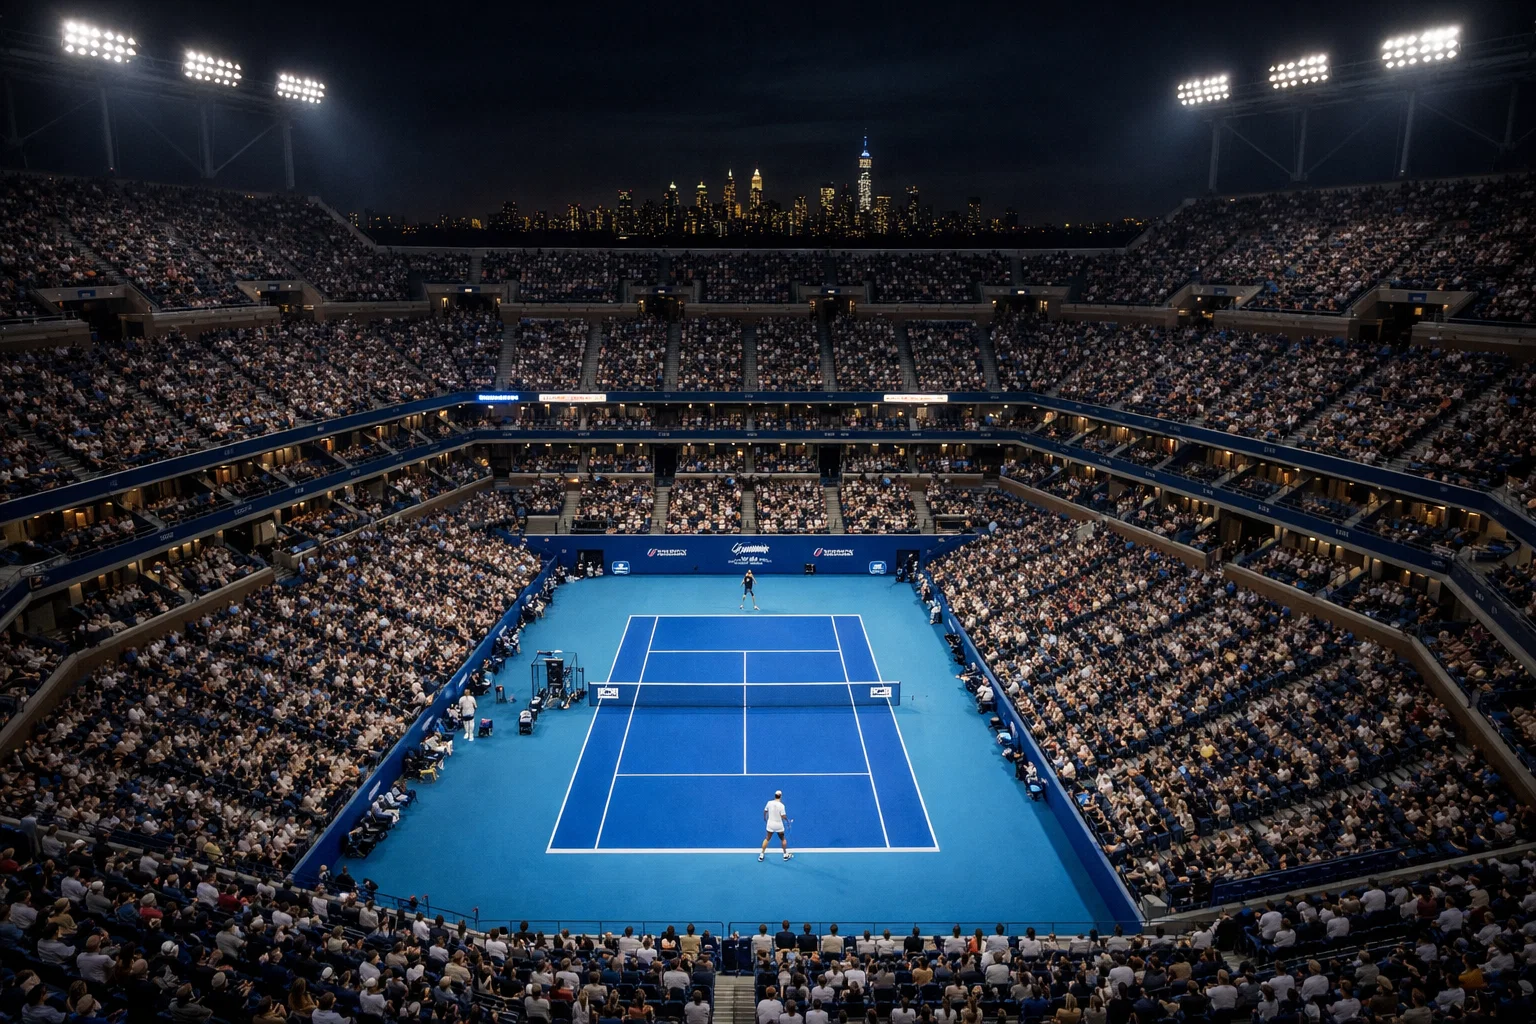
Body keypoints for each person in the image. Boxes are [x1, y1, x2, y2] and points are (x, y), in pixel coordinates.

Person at [760, 790, 792, 862]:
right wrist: (788, 820)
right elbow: (783, 816)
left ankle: (761, 854)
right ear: (781, 796)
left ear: (775, 796)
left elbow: (765, 811)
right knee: (783, 839)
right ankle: (785, 855)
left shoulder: (769, 803)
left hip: (770, 824)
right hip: (778, 825)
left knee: (767, 838)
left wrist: (765, 818)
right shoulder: (782, 806)